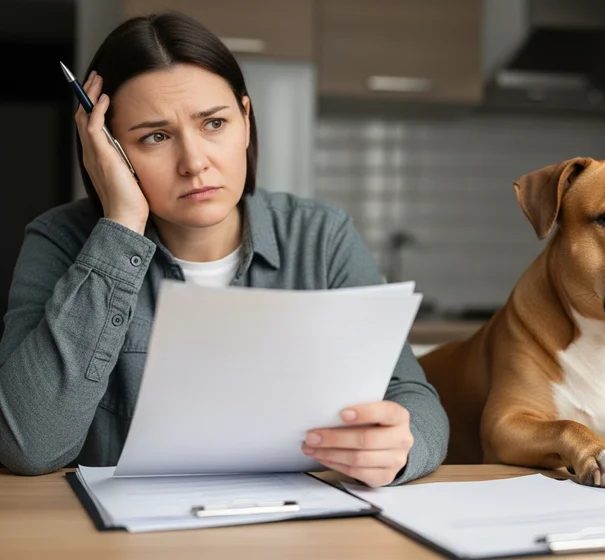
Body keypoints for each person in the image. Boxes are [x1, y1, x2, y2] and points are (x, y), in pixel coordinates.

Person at [0, 11, 448, 487]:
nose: (194, 163)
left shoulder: (321, 235)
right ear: (107, 150)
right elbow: (29, 446)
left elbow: (415, 400)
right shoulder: (59, 240)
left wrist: (401, 447)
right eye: (155, 137)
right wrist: (121, 226)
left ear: (246, 120)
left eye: (213, 124)